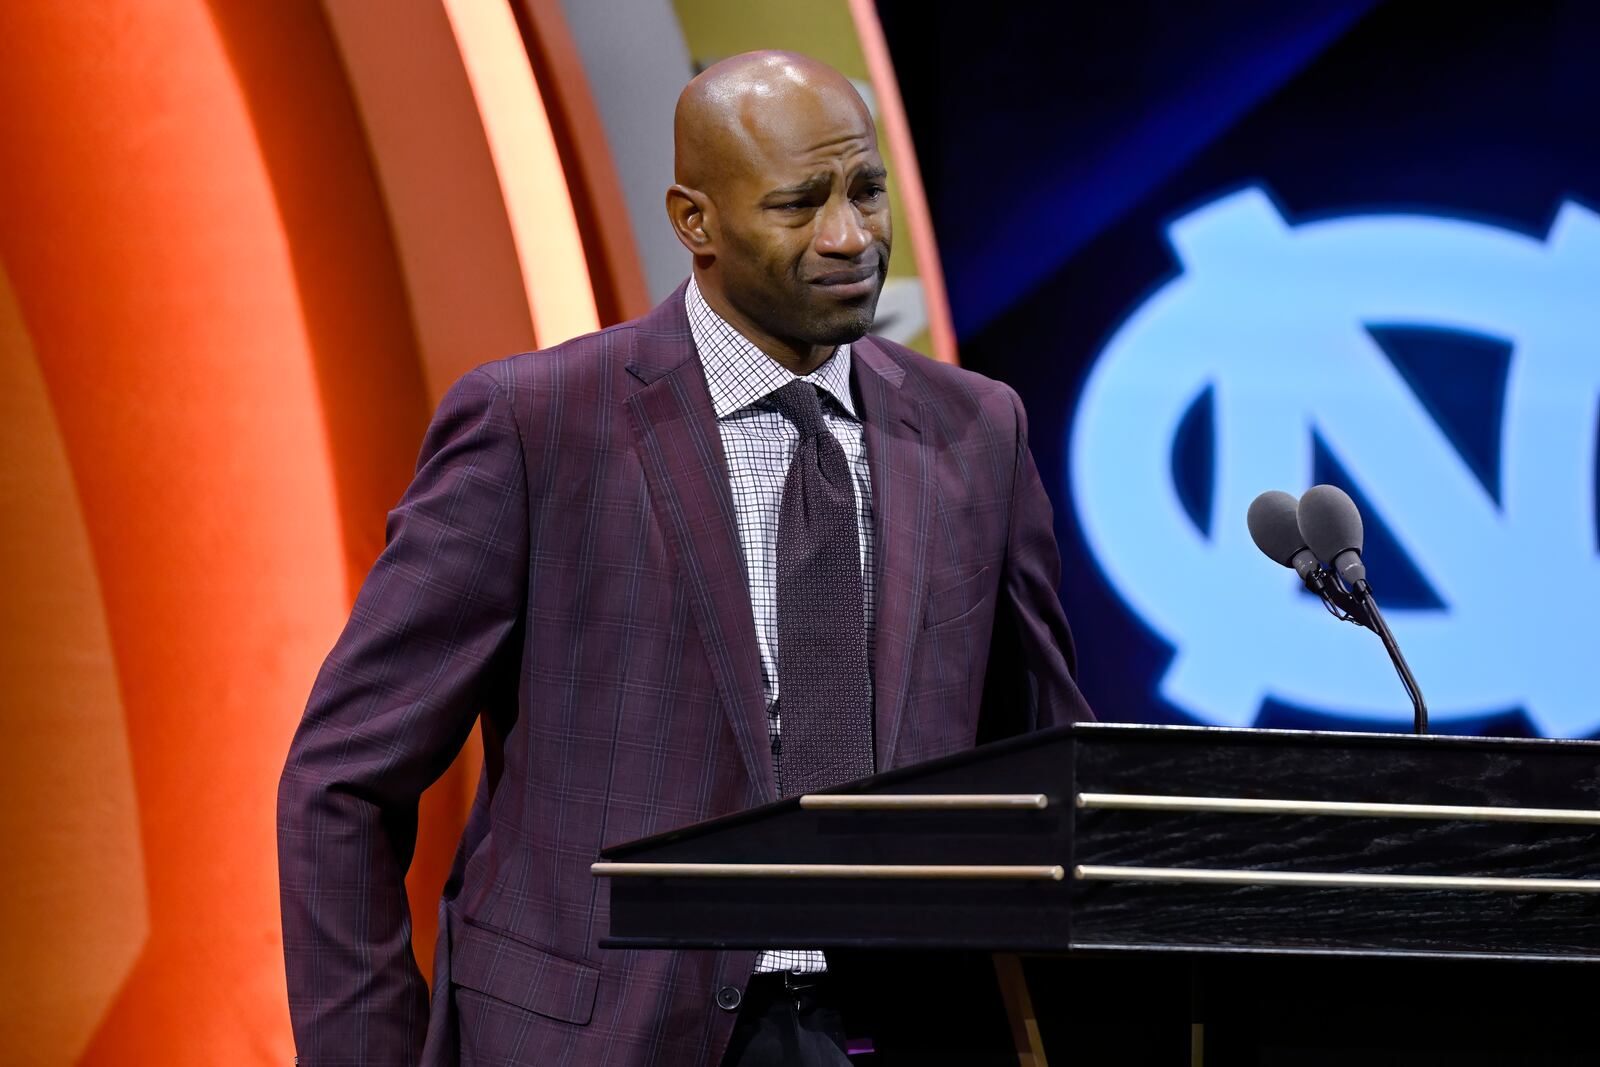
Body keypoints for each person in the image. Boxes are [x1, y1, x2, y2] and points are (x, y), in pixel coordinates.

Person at [277, 50, 1092, 1067]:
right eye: (799, 205)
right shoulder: (536, 426)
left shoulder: (977, 428)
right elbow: (343, 779)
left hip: (906, 1030)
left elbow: (1054, 765)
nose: (850, 236)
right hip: (604, 1037)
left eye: (865, 190)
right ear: (693, 221)